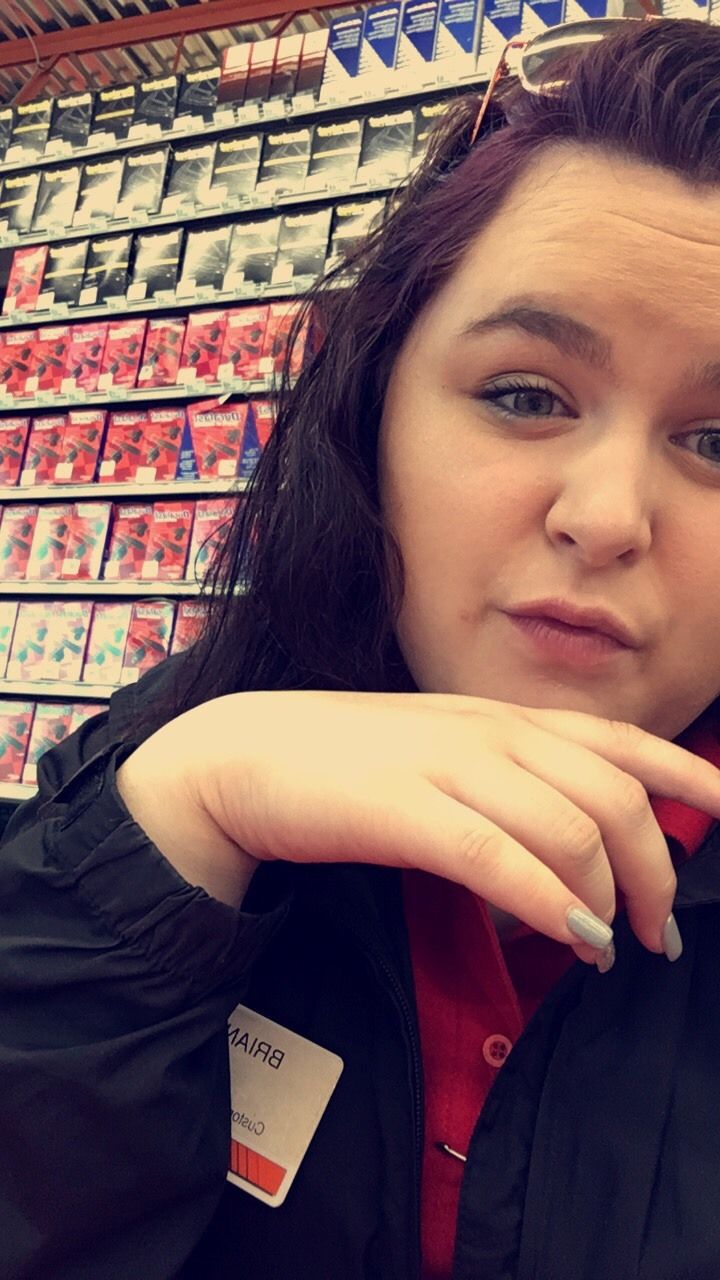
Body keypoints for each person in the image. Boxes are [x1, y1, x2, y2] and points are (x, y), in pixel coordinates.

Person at [5, 15, 720, 1278]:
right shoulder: (143, 787)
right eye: (525, 395)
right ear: (370, 400)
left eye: (715, 442)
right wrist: (164, 851)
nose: (607, 516)